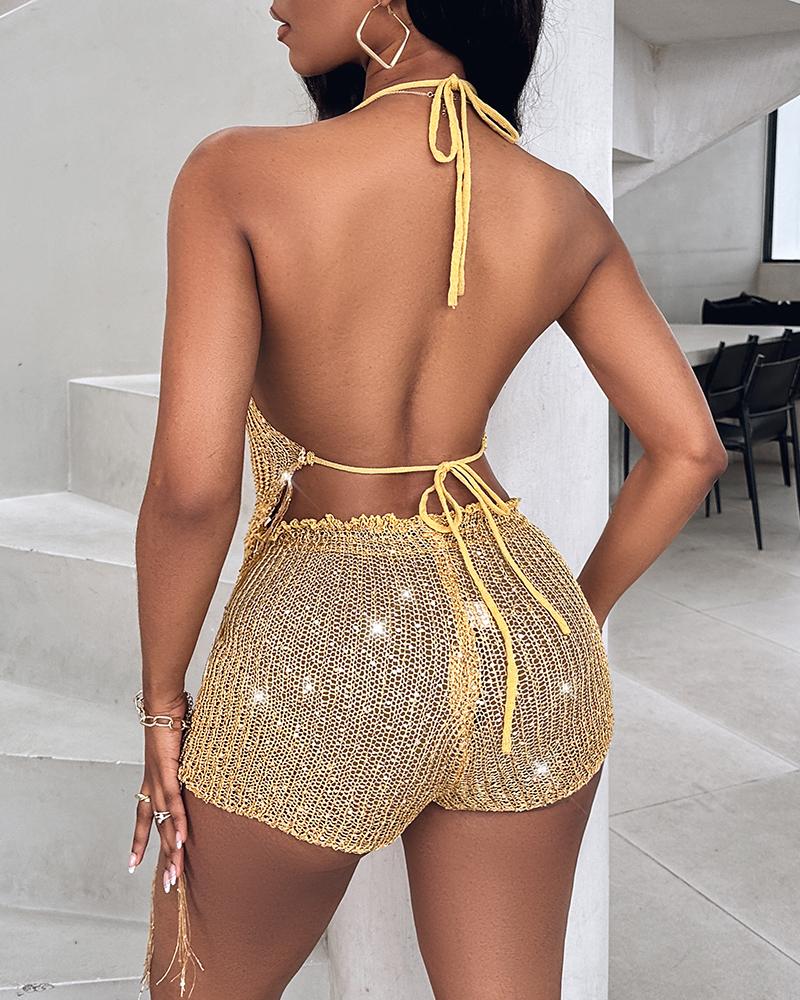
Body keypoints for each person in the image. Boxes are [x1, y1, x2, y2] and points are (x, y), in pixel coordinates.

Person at [128, 1, 728, 998]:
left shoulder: (235, 174)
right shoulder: (564, 207)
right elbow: (690, 449)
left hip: (319, 646)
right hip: (526, 639)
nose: (275, 3)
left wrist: (159, 706)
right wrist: (567, 623)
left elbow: (192, 490)